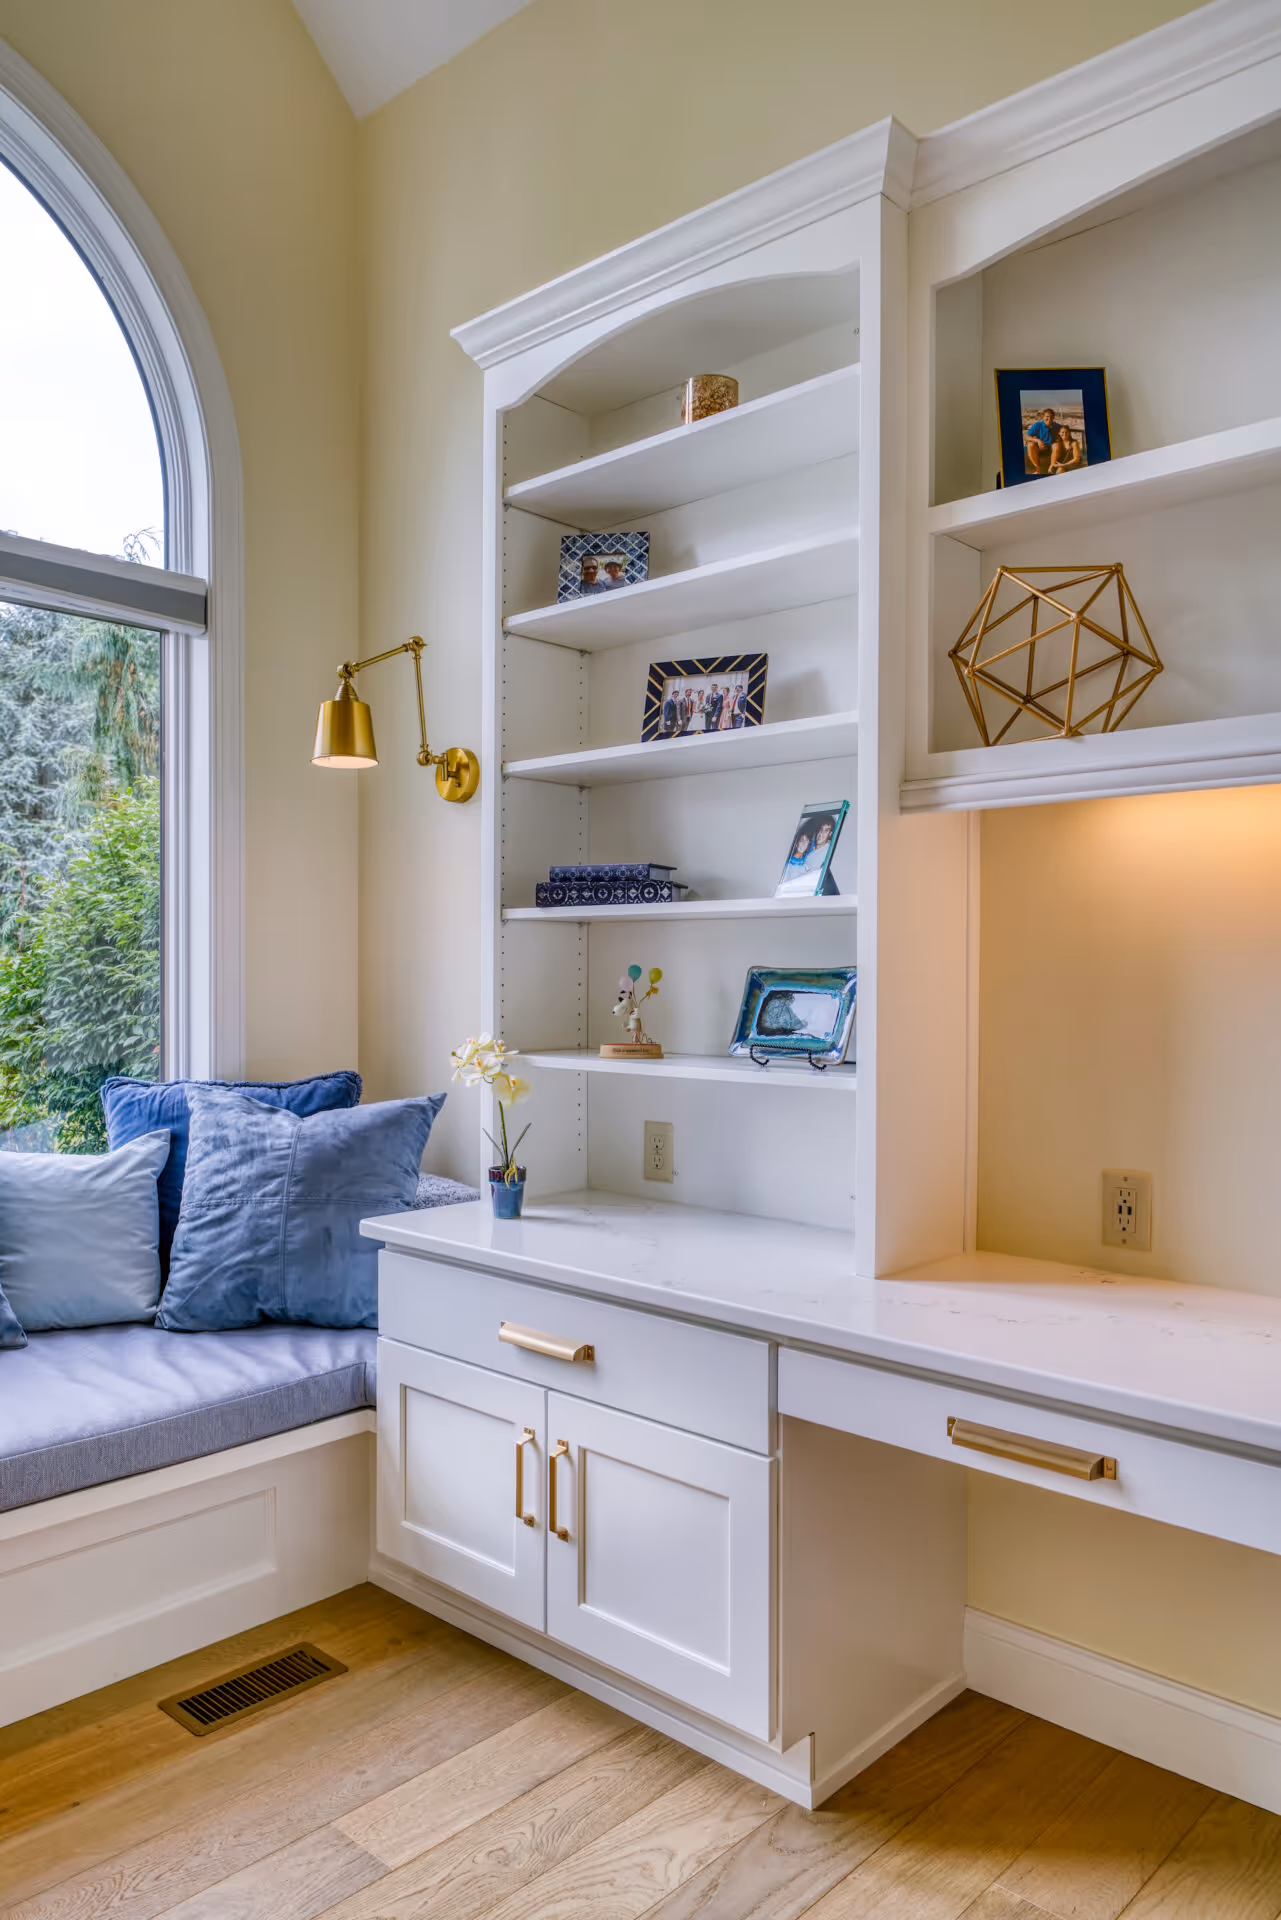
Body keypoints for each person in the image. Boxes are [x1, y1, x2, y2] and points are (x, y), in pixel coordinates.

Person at [1024, 406, 1058, 476]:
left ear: (1054, 418)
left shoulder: (1056, 426)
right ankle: (1037, 469)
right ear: (1043, 417)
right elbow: (1026, 437)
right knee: (1030, 445)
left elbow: (1065, 432)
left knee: (1056, 445)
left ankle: (1051, 467)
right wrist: (1038, 440)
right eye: (1047, 416)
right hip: (1039, 447)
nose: (1049, 418)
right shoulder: (1037, 425)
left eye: (1051, 417)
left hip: (1050, 448)